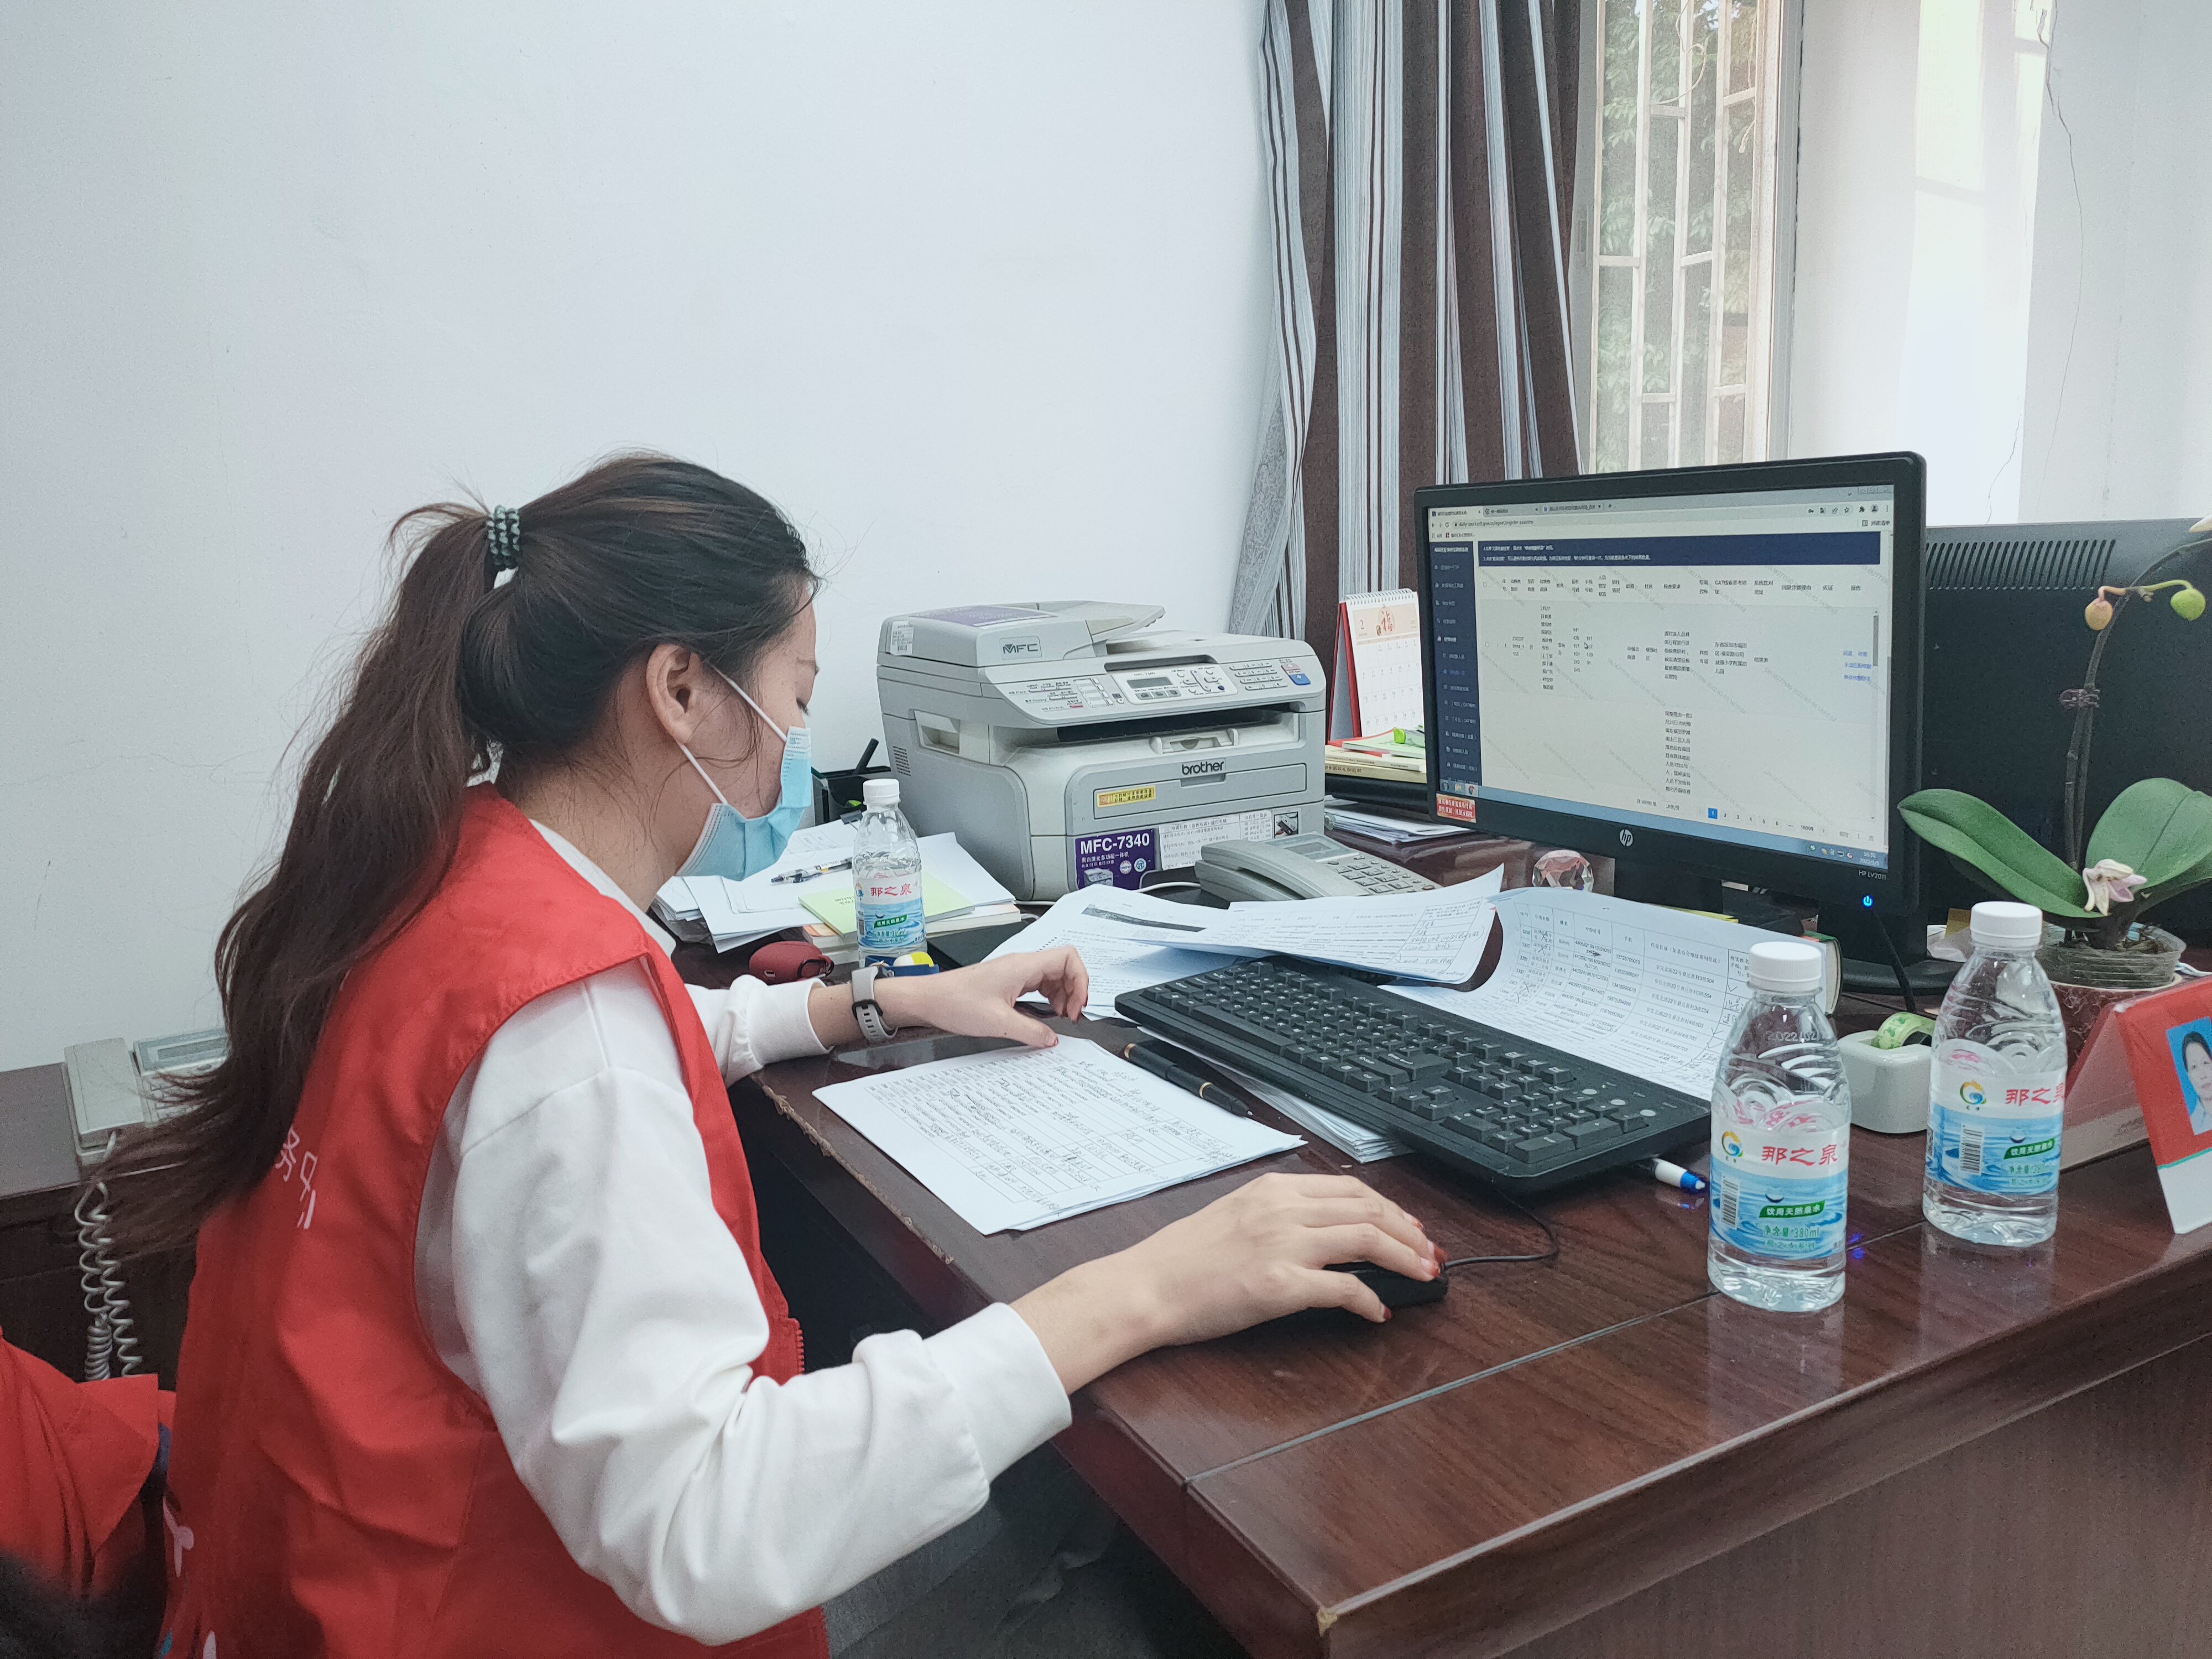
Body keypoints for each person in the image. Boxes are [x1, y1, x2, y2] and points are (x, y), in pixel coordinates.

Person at [103, 455, 1439, 1658]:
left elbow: (627, 1050)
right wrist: (1145, 1287)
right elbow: (704, 1525)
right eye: (794, 698)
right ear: (682, 690)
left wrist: (884, 1003)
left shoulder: (444, 870)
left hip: (298, 1585)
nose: (796, 750)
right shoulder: (570, 1037)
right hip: (513, 1604)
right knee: (1136, 1581)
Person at [2181, 1029, 2212, 1133]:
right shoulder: (2193, 1126)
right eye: (2194, 1067)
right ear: (2189, 1076)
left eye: (2205, 1063)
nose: (2203, 1075)